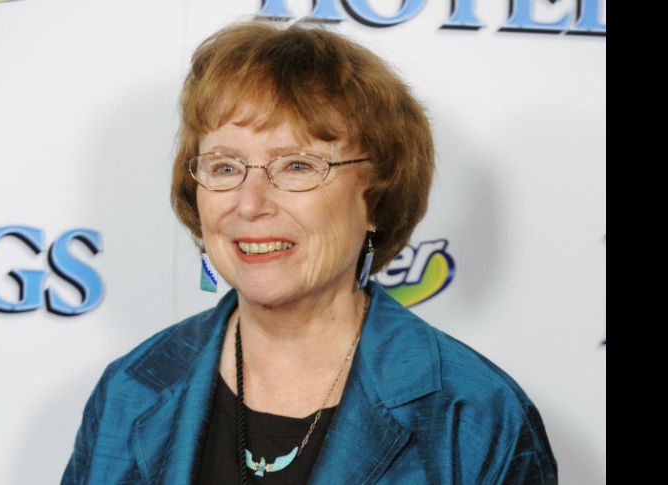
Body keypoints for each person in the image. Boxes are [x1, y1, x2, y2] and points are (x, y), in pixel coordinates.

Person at [61, 19, 558, 485]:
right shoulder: (131, 390)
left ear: (376, 199)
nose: (250, 204)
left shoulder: (472, 414)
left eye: (297, 166)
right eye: (226, 167)